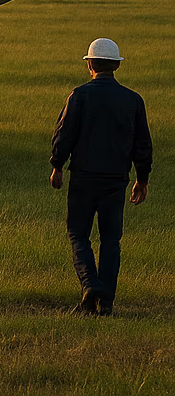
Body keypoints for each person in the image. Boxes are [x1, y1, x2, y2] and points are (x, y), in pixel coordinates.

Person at [50, 37, 153, 316]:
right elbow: (142, 144)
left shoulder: (79, 95)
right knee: (110, 240)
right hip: (115, 180)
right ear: (116, 66)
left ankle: (90, 284)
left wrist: (57, 165)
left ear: (90, 65)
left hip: (83, 179)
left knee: (78, 234)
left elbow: (64, 134)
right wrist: (141, 179)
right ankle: (105, 303)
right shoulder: (133, 100)